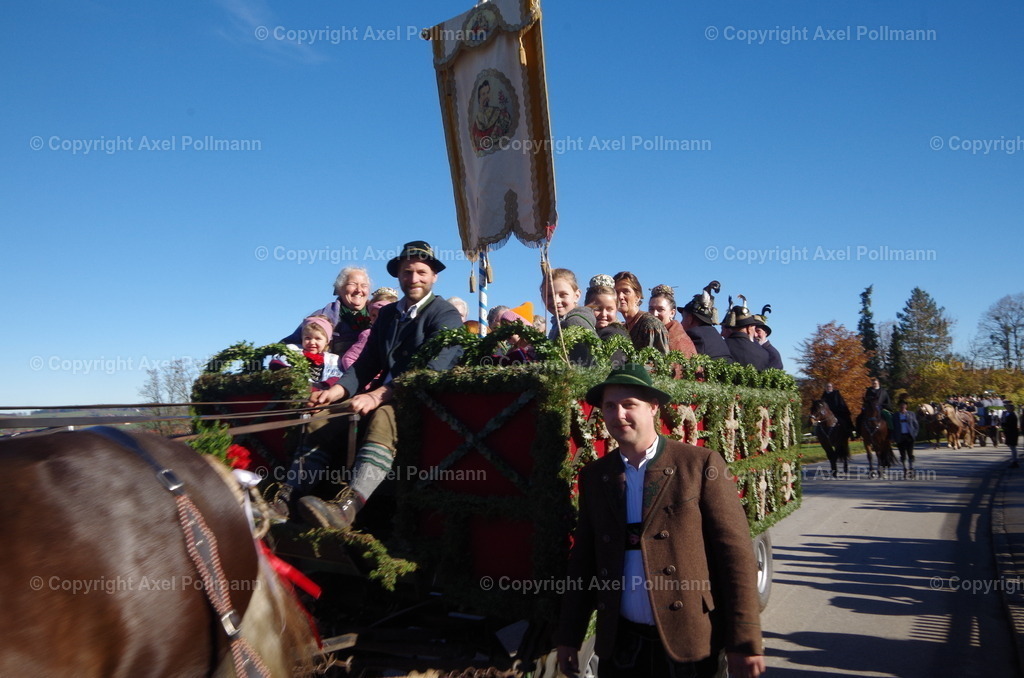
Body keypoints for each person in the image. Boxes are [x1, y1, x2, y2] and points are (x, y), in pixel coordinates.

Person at [556, 365, 765, 678]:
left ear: (653, 407)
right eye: (610, 406)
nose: (619, 414)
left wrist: (745, 642)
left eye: (630, 405)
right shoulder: (596, 476)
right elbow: (583, 560)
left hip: (689, 643)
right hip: (621, 644)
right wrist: (569, 637)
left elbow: (735, 557)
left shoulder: (699, 464)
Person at [278, 241, 464, 530]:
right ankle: (288, 497)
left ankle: (348, 507)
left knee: (382, 418)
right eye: (406, 272)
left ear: (434, 276)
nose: (413, 279)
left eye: (420, 272)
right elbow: (366, 362)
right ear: (399, 276)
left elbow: (433, 369)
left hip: (420, 398)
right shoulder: (389, 315)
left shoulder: (445, 314)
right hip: (380, 394)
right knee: (322, 418)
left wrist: (380, 395)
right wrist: (335, 391)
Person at [282, 266, 372, 359]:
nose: (359, 290)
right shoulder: (320, 317)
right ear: (339, 288)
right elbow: (286, 346)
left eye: (364, 285)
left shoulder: (381, 315)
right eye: (353, 284)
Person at [541, 267, 598, 365]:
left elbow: (586, 368)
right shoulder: (558, 323)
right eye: (549, 296)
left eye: (563, 295)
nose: (556, 300)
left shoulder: (575, 323)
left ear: (576, 295)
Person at [270, 315, 343, 390]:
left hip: (320, 392)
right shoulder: (292, 350)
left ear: (327, 341)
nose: (312, 342)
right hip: (294, 389)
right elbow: (276, 363)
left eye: (318, 338)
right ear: (302, 338)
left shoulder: (332, 359)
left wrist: (322, 386)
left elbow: (337, 377)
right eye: (307, 338)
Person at [613, 271, 668, 354]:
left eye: (626, 291)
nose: (620, 296)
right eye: (616, 292)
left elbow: (660, 362)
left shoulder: (650, 325)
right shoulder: (624, 327)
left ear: (637, 297)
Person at [680, 281, 734, 363]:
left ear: (690, 319)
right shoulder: (715, 335)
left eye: (683, 318)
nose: (681, 323)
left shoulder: (694, 335)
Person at [586, 275, 629, 366]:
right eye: (597, 308)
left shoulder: (614, 334)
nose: (604, 314)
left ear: (617, 309)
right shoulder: (586, 331)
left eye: (609, 309)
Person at [648, 285, 697, 357]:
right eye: (651, 309)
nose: (654, 314)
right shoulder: (649, 333)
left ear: (672, 313)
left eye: (660, 309)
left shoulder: (678, 340)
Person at [723, 298, 770, 371]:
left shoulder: (721, 346)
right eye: (754, 328)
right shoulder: (764, 353)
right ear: (749, 328)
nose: (755, 334)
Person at [751, 305, 784, 370]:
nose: (755, 335)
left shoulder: (773, 354)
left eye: (758, 331)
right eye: (753, 331)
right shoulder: (750, 349)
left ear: (765, 332)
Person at [893, 400, 919, 474]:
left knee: (910, 453)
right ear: (899, 407)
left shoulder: (911, 414)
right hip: (900, 436)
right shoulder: (895, 415)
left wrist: (915, 434)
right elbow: (893, 427)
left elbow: (916, 425)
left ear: (906, 406)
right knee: (902, 454)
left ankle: (911, 467)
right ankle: (905, 468)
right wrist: (893, 437)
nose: (902, 407)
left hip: (909, 436)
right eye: (901, 406)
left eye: (904, 405)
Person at [1003, 402, 1019, 468]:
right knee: (1012, 447)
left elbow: (1010, 424)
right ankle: (1014, 460)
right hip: (1011, 432)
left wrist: (1004, 425)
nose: (1007, 409)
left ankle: (1014, 461)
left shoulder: (1012, 415)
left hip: (1012, 432)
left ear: (1011, 409)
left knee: (1013, 448)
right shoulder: (1011, 414)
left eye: (1008, 408)